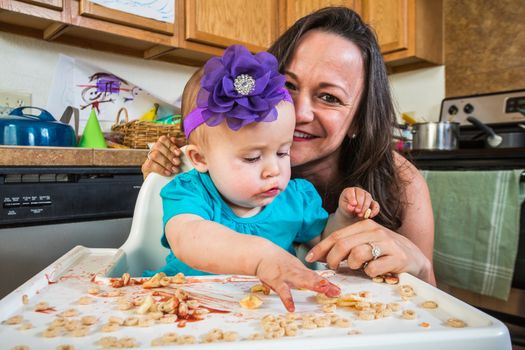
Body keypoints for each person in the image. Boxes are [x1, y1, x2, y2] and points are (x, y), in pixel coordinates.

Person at [142, 7, 436, 286]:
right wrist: (160, 175)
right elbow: (188, 231)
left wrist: (354, 223)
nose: (299, 113)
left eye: (329, 97)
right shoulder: (200, 173)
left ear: (359, 120)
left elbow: (429, 305)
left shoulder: (389, 183)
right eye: (289, 86)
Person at [149, 45, 381, 312]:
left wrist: (345, 216)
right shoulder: (190, 192)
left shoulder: (295, 198)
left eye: (283, 151)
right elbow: (188, 237)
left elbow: (323, 243)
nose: (274, 170)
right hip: (187, 308)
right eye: (252, 158)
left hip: (267, 314)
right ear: (200, 159)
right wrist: (260, 258)